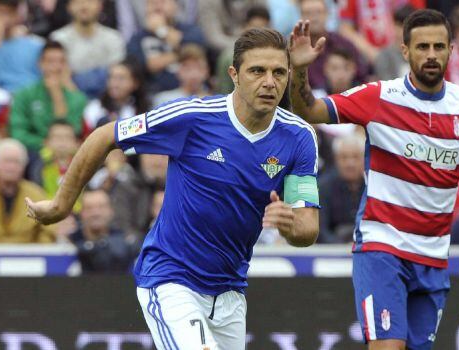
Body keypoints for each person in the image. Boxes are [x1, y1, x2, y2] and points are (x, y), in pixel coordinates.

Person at [25, 28, 320, 349]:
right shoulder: (192, 117)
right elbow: (105, 136)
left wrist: (290, 224)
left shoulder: (299, 138)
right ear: (234, 75)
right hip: (170, 279)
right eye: (257, 71)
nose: (269, 82)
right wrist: (61, 205)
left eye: (279, 72)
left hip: (230, 293)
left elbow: (307, 230)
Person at [288, 10, 459, 348]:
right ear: (405, 50)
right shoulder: (379, 97)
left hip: (433, 254)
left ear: (450, 51)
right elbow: (308, 110)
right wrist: (301, 70)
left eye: (438, 47)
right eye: (422, 46)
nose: (431, 55)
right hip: (383, 245)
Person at [0, 138, 54, 243]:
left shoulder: (37, 194)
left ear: (24, 166)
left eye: (16, 162)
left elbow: (46, 232)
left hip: (28, 256)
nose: (11, 167)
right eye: (6, 161)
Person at [8, 41, 87, 151]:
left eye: (62, 61)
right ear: (40, 64)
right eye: (51, 61)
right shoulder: (24, 95)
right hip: (34, 152)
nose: (57, 67)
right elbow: (18, 133)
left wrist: (58, 97)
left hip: (69, 153)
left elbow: (74, 132)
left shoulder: (78, 98)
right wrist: (44, 143)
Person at [126, 0, 206, 93]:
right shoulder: (138, 37)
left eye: (162, 2)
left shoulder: (189, 30)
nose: (157, 7)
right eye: (152, 3)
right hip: (154, 95)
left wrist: (161, 30)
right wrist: (181, 53)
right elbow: (142, 66)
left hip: (191, 92)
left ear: (175, 6)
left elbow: (197, 47)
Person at [50, 0, 126, 98]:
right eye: (78, 2)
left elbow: (117, 76)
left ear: (100, 5)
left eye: (90, 1)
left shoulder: (114, 38)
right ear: (68, 7)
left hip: (107, 100)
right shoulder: (58, 39)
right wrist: (78, 101)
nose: (84, 6)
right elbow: (58, 77)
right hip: (70, 99)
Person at [300, 0, 369, 91]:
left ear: (327, 14)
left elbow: (362, 77)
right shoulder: (296, 49)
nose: (314, 18)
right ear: (300, 17)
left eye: (318, 12)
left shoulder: (344, 44)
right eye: (308, 13)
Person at [0, 0, 44, 92]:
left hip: (27, 98)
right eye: (1, 12)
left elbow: (40, 79)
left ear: (17, 14)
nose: (6, 18)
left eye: (10, 12)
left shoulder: (35, 45)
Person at [70, 189, 137, 272]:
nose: (95, 213)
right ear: (80, 213)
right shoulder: (70, 241)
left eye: (101, 207)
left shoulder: (124, 242)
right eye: (89, 208)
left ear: (111, 211)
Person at [318, 133, 365, 243]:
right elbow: (320, 230)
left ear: (365, 159)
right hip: (332, 253)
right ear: (336, 159)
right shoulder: (322, 187)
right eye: (344, 157)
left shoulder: (374, 188)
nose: (350, 163)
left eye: (355, 157)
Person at [213, 5, 271, 94]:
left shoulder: (273, 55)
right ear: (245, 27)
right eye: (255, 27)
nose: (259, 33)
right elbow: (224, 91)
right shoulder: (229, 56)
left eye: (263, 28)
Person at [83, 61, 150, 134]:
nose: (114, 84)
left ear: (135, 83)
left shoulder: (144, 111)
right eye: (111, 77)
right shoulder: (95, 107)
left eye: (121, 78)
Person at [374, 5, 414, 81]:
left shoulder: (421, 53)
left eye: (408, 27)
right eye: (399, 25)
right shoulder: (384, 55)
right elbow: (385, 83)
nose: (402, 31)